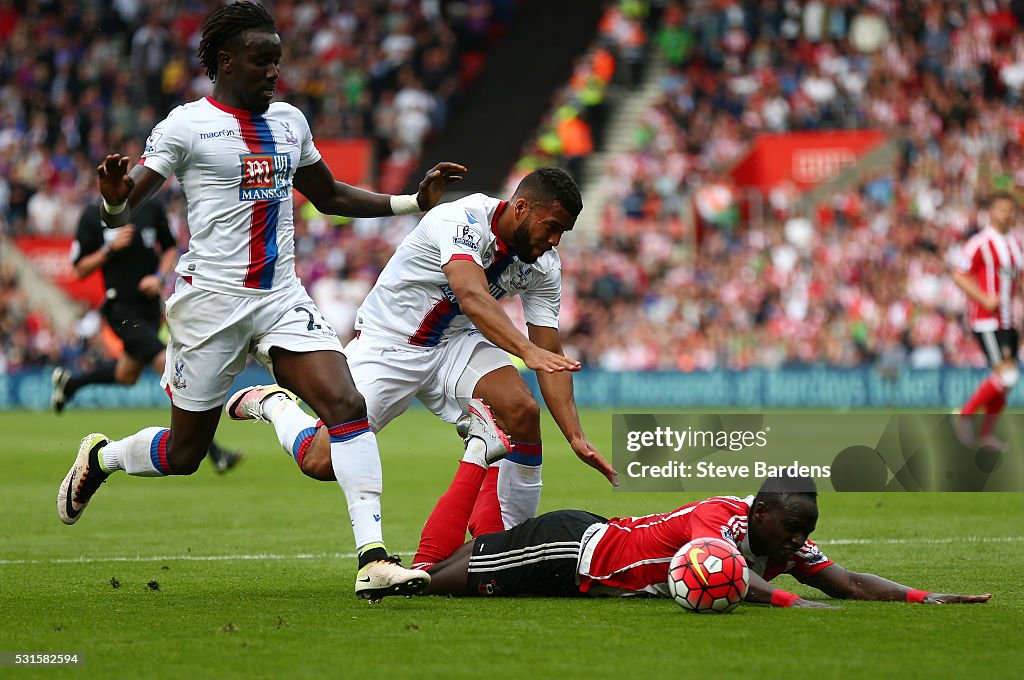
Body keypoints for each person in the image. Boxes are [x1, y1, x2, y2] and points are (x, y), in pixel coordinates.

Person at [55, 1, 466, 602]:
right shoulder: (186, 125)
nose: (273, 72)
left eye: (277, 60)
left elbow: (327, 196)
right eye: (260, 61)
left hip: (280, 296)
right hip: (210, 306)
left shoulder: (290, 122)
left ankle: (373, 557)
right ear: (224, 62)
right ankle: (105, 457)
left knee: (345, 403)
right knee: (185, 452)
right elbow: (126, 202)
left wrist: (412, 202)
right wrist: (113, 202)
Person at [228, 166, 617, 544]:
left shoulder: (544, 267)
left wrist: (575, 436)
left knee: (521, 411)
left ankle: (508, 547)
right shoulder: (462, 218)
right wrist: (525, 351)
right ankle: (276, 406)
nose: (555, 241)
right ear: (521, 209)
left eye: (562, 232)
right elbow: (471, 295)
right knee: (322, 462)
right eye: (551, 227)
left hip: (454, 344)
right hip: (389, 343)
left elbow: (550, 351)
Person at [414, 444, 991, 607]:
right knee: (440, 580)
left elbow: (848, 582)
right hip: (577, 548)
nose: (797, 540)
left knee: (485, 563)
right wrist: (796, 605)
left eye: (804, 531)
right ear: (760, 513)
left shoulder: (784, 540)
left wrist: (921, 595)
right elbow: (732, 574)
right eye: (792, 527)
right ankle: (481, 453)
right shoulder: (721, 518)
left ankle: (488, 455)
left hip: (586, 576)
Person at [52, 200, 243, 473]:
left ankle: (71, 384)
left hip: (149, 310)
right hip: (120, 308)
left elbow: (169, 250)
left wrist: (158, 276)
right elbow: (80, 268)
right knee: (170, 366)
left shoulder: (151, 208)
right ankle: (214, 451)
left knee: (126, 375)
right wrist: (110, 248)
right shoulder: (92, 214)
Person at [952, 192, 1023, 449]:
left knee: (1005, 384)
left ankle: (985, 434)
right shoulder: (980, 242)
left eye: (1011, 210)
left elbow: (1018, 278)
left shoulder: (1016, 242)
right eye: (1002, 209)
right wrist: (983, 298)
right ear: (991, 212)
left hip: (1008, 320)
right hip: (986, 320)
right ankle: (966, 414)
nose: (1008, 214)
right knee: (1007, 376)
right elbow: (959, 274)